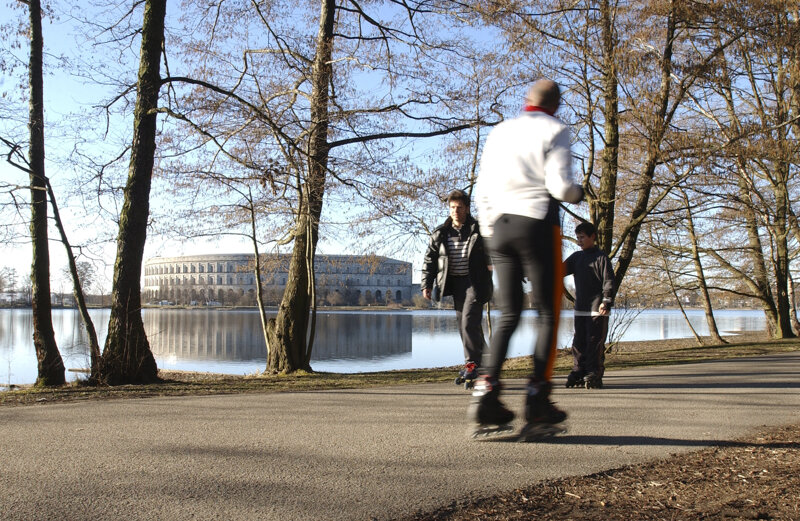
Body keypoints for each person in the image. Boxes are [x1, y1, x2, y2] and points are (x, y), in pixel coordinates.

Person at [472, 79, 584, 437]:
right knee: (548, 313)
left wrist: (489, 235)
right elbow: (560, 186)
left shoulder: (500, 131)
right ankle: (538, 401)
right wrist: (578, 192)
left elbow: (483, 188)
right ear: (556, 105)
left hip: (499, 227)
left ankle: (486, 392)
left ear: (527, 100)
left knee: (508, 313)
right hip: (537, 224)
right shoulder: (555, 129)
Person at [421, 189, 493, 386]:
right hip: (455, 284)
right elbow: (430, 260)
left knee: (469, 321)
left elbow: (496, 250)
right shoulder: (441, 233)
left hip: (475, 283)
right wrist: (426, 284)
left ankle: (471, 365)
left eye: (459, 207)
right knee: (464, 325)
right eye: (452, 207)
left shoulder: (479, 230)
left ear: (467, 208)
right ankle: (483, 361)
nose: (455, 211)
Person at [564, 221, 615, 389]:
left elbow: (608, 281)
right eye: (577, 238)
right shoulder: (576, 257)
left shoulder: (601, 257)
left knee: (594, 343)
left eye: (582, 237)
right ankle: (579, 370)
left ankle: (594, 372)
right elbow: (558, 270)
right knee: (578, 343)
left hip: (597, 309)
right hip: (580, 308)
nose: (579, 241)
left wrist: (606, 301)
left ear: (592, 237)